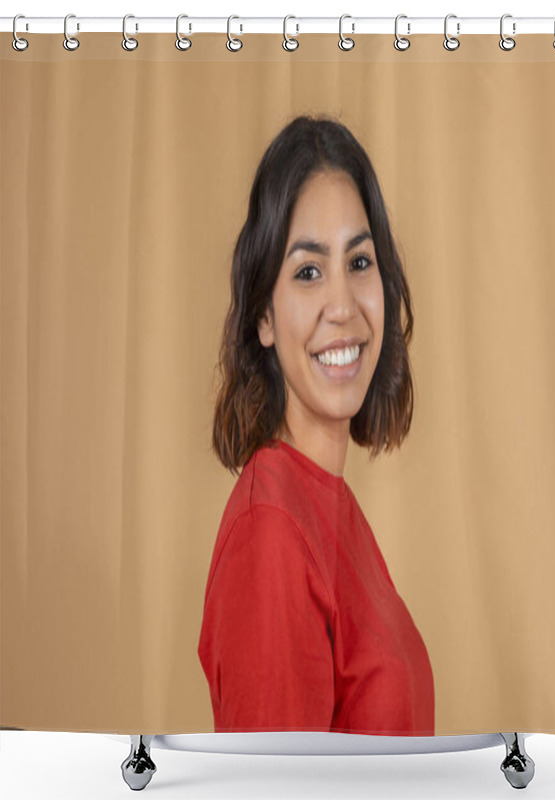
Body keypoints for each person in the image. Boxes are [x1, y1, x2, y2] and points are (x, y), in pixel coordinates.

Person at [197, 114, 435, 735]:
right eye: (308, 271)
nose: (343, 306)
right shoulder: (271, 531)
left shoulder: (330, 508)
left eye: (360, 262)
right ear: (264, 318)